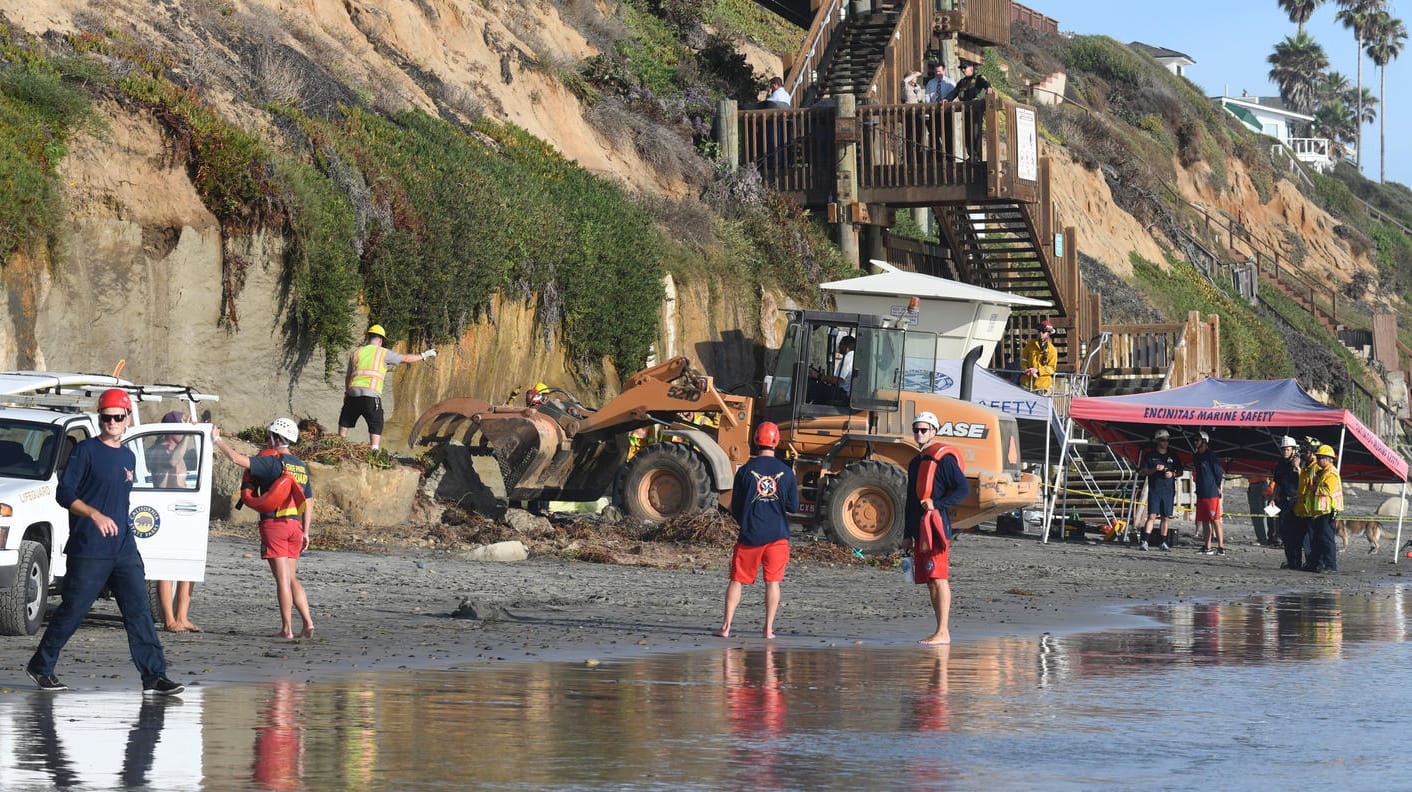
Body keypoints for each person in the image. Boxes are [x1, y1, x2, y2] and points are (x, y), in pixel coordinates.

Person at [26, 388, 184, 695]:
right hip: (90, 548)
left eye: (116, 417)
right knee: (74, 609)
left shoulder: (128, 455)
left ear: (126, 419)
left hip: (124, 548)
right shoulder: (85, 451)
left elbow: (120, 500)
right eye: (105, 417)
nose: (110, 422)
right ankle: (40, 666)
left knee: (138, 610)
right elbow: (64, 493)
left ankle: (154, 676)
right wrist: (94, 514)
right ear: (100, 418)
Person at [213, 418, 316, 639]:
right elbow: (308, 501)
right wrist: (306, 531)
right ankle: (308, 622)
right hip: (295, 526)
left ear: (276, 438)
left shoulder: (271, 461)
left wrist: (217, 440)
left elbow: (236, 458)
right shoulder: (300, 465)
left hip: (275, 525)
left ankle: (287, 629)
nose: (267, 440)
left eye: (269, 436)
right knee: (291, 578)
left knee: (282, 580)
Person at [718, 422, 798, 639]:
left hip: (750, 534)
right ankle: (768, 629)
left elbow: (735, 506)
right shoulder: (787, 473)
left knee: (736, 580)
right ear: (776, 442)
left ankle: (726, 627)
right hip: (778, 536)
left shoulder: (744, 471)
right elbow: (793, 506)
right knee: (773, 583)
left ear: (755, 440)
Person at [903, 410, 970, 645]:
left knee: (939, 577)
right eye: (916, 430)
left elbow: (963, 490)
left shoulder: (945, 461)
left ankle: (943, 631)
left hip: (937, 526)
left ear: (934, 431)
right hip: (919, 528)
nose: (919, 433)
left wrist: (937, 504)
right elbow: (911, 501)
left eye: (924, 429)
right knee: (930, 579)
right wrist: (906, 535)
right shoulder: (915, 462)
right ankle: (939, 630)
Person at [337, 324, 436, 451]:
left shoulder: (356, 353)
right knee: (376, 422)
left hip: (353, 394)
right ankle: (374, 450)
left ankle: (339, 444)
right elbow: (405, 358)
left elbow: (348, 377)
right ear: (380, 340)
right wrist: (424, 355)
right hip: (371, 395)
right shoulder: (382, 352)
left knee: (345, 420)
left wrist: (347, 393)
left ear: (368, 338)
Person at [151, 410, 200, 633]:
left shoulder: (177, 448)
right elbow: (173, 462)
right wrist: (189, 434)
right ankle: (169, 619)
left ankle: (183, 616)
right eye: (180, 429)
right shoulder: (158, 451)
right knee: (167, 568)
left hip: (184, 509)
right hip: (167, 507)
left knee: (187, 566)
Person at [1137, 429, 1182, 551]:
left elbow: (1180, 471)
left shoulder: (1173, 456)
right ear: (1157, 441)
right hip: (1155, 490)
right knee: (1152, 515)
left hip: (1168, 490)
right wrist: (1155, 469)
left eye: (1167, 440)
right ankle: (1144, 541)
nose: (1165, 442)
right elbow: (1142, 472)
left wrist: (1172, 474)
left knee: (1165, 517)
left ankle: (1163, 542)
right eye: (1163, 440)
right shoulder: (1150, 456)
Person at [1304, 444, 1344, 573]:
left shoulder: (1331, 473)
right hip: (1320, 512)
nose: (1318, 459)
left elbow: (1327, 490)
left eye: (1320, 457)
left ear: (1328, 459)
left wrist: (1315, 488)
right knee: (1317, 539)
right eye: (1318, 457)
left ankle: (1330, 566)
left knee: (1327, 539)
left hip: (1328, 511)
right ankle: (1315, 563)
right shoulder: (1322, 472)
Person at [943, 60, 994, 161]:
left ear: (971, 68)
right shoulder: (962, 82)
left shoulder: (979, 78)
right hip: (966, 111)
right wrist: (947, 99)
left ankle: (977, 156)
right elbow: (955, 92)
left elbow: (985, 83)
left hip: (976, 112)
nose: (962, 70)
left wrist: (988, 87)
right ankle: (971, 155)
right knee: (967, 134)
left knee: (975, 133)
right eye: (961, 68)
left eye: (964, 68)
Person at [1191, 431, 1226, 556]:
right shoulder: (1196, 456)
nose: (1195, 442)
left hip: (1211, 492)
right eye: (1194, 440)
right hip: (1200, 492)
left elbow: (1219, 473)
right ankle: (1208, 547)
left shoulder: (1210, 456)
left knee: (1215, 519)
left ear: (1204, 441)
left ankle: (1221, 547)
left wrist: (1218, 486)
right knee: (1204, 520)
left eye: (1197, 440)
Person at [1290, 439, 1319, 570]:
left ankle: (1313, 562)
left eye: (1305, 452)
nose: (1303, 455)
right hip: (1303, 508)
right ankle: (1307, 562)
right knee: (1303, 538)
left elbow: (1311, 486)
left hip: (1311, 509)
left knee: (1312, 538)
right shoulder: (1307, 466)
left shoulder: (1315, 467)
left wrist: (1298, 469)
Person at [1019, 319, 1058, 393]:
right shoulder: (1030, 345)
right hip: (1026, 384)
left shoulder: (1052, 350)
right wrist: (1026, 370)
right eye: (1039, 331)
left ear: (1048, 333)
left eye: (1043, 332)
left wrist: (1038, 371)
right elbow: (1023, 360)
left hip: (1043, 385)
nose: (1041, 334)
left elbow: (1052, 368)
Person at [1246, 474, 1275, 546]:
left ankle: (1263, 539)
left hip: (1257, 485)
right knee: (1262, 514)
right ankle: (1265, 538)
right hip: (1261, 485)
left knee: (1258, 515)